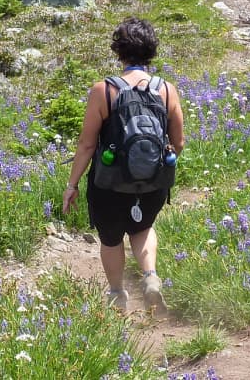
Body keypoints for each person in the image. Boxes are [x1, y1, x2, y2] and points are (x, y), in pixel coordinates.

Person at [63, 17, 185, 312]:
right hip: (153, 181)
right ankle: (151, 276)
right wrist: (152, 167)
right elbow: (178, 142)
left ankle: (117, 294)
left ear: (119, 51)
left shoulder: (102, 90)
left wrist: (72, 184)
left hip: (108, 182)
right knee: (143, 228)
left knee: (111, 237)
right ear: (151, 51)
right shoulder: (166, 89)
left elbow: (87, 144)